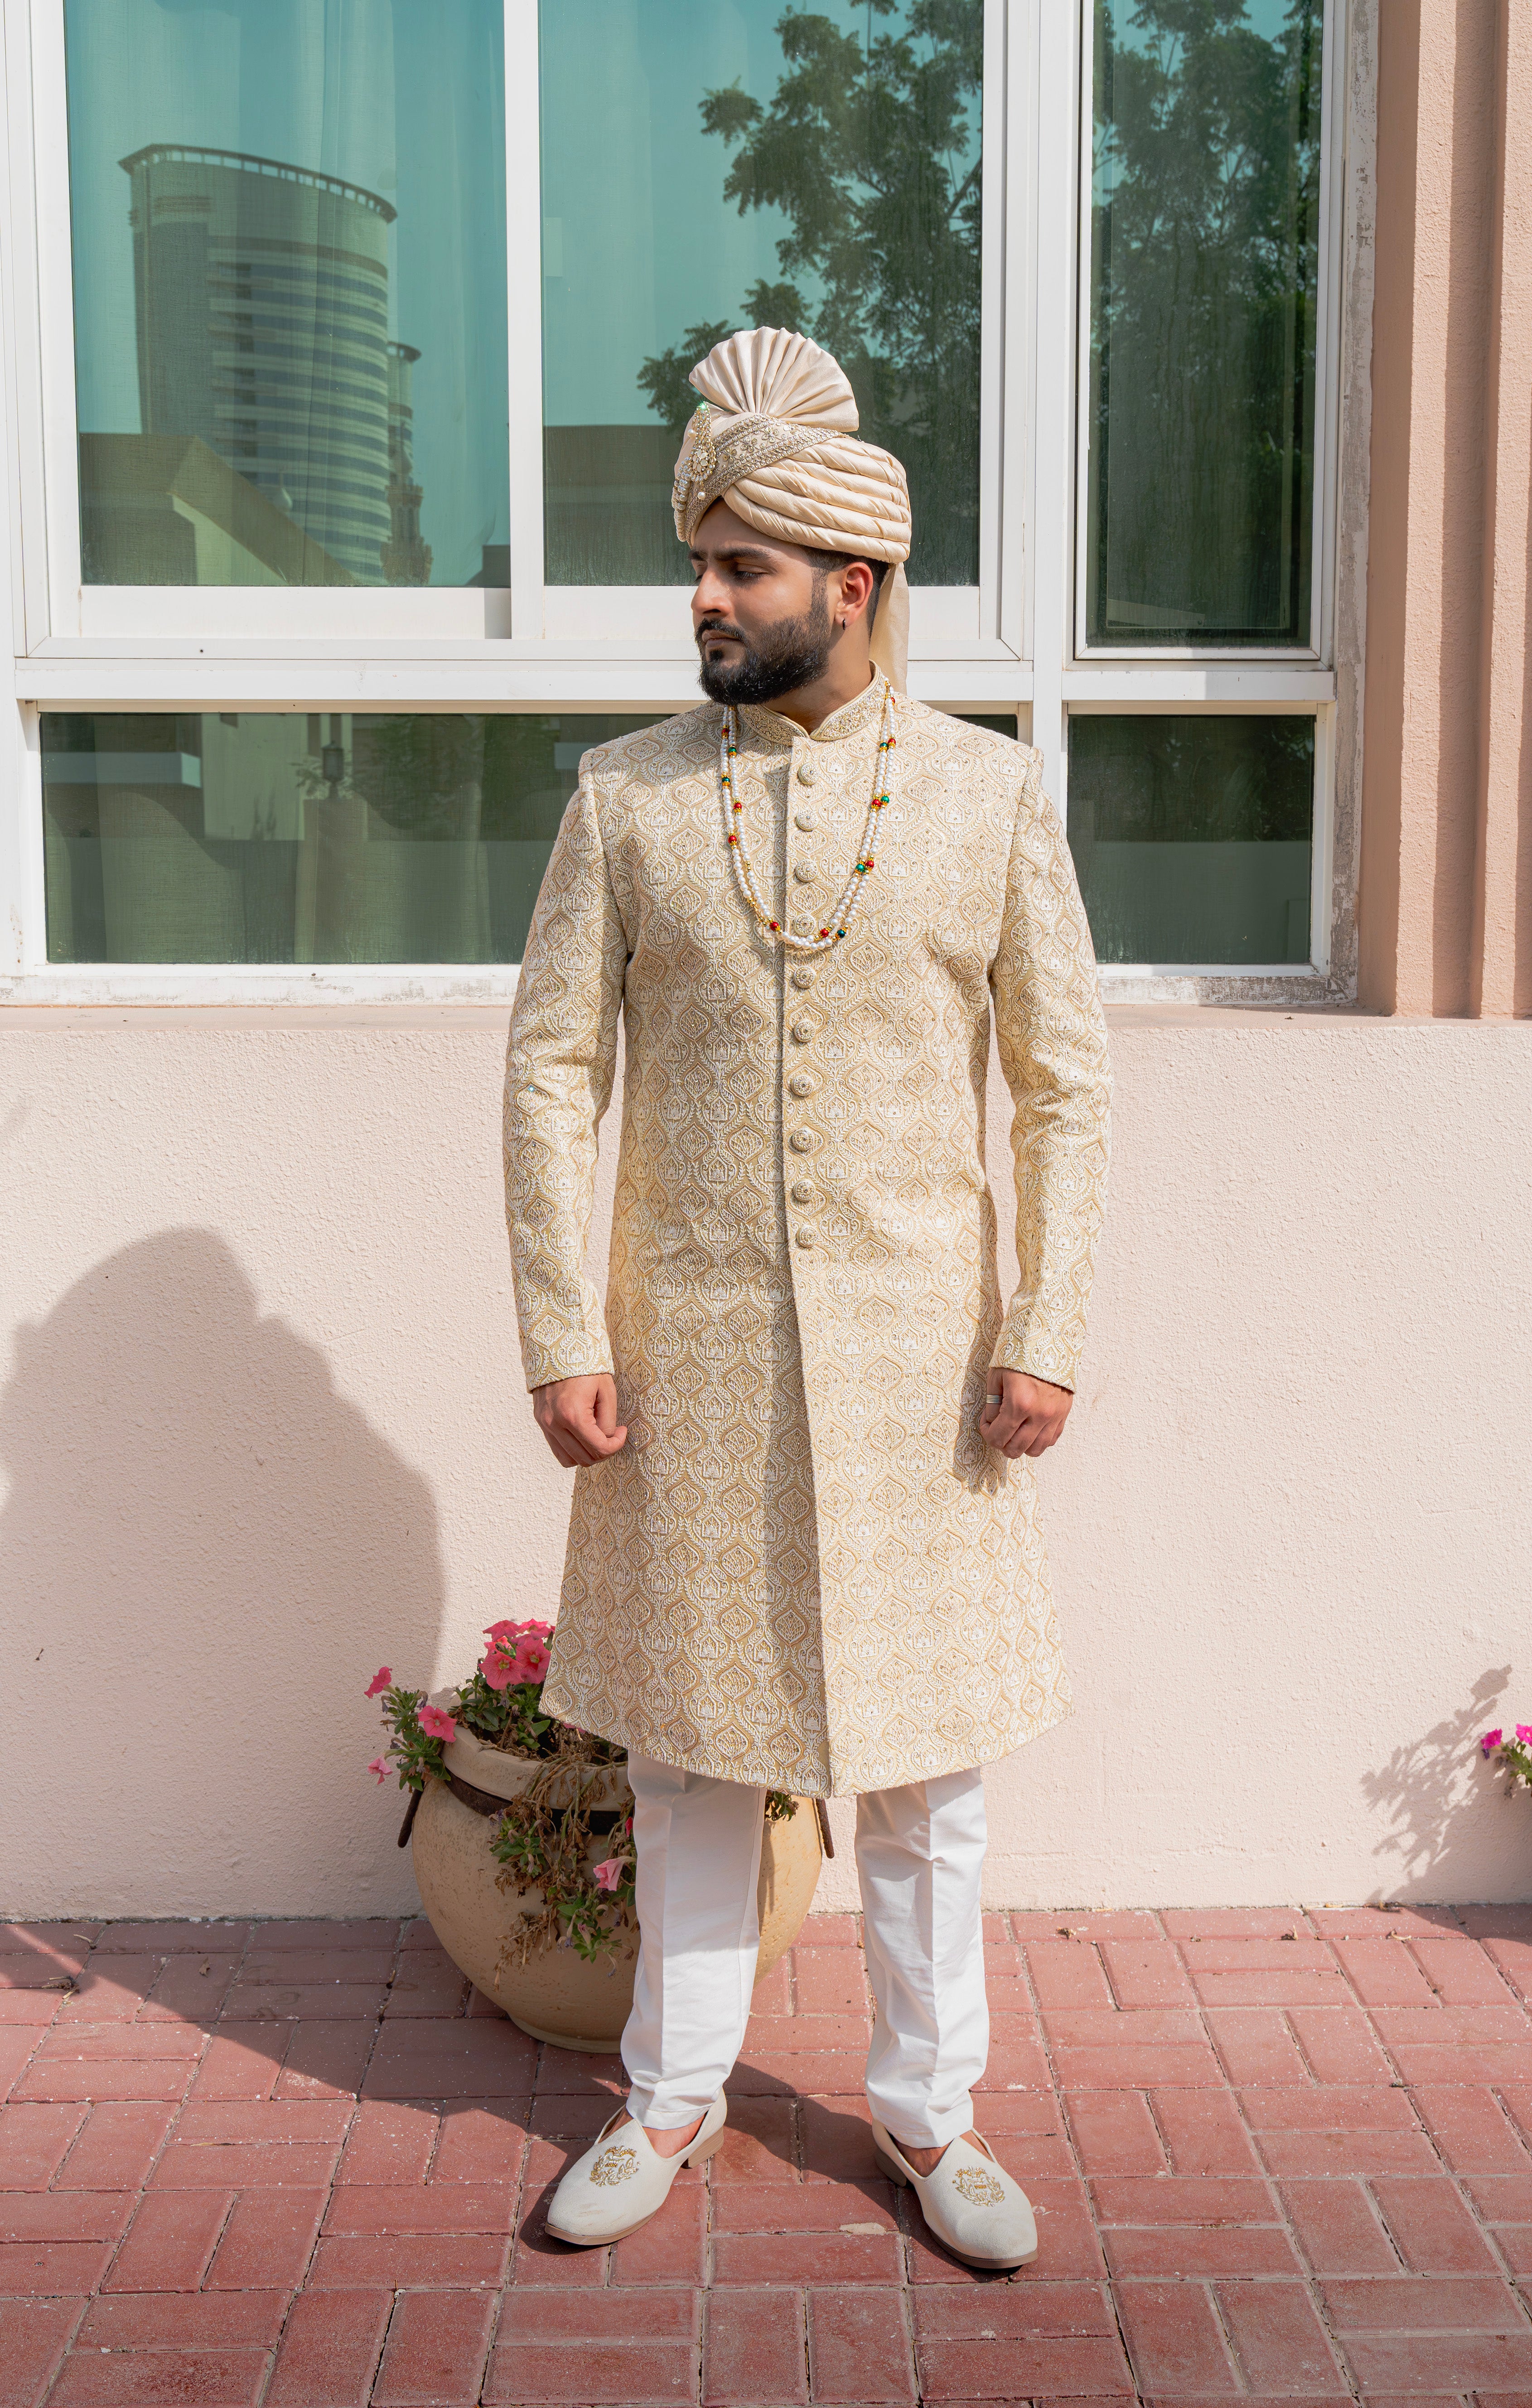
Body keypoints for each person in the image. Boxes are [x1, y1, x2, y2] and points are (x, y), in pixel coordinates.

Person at [503, 326, 1110, 2269]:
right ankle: (671, 2097)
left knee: (931, 1770)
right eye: (697, 562)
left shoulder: (991, 797)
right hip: (682, 1358)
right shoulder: (623, 799)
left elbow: (1064, 1082)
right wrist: (562, 1330)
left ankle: (931, 2119)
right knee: (686, 1753)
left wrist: (1046, 1324)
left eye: (738, 566)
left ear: (847, 585)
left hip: (927, 1373)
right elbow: (548, 1078)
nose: (701, 597)